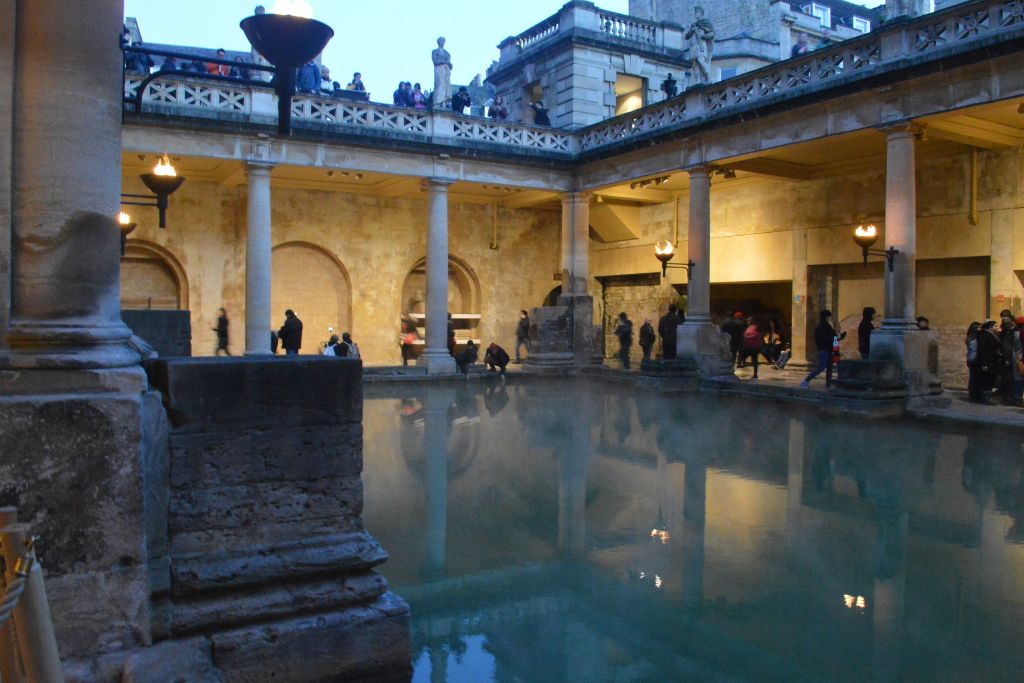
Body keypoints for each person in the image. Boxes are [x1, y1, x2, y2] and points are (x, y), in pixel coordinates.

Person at [801, 309, 845, 389]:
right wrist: (837, 337)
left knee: (829, 368)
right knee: (822, 368)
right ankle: (806, 381)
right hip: (825, 350)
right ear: (826, 317)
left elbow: (831, 337)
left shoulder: (824, 327)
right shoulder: (824, 327)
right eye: (829, 317)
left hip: (827, 350)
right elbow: (827, 338)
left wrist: (838, 336)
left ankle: (828, 385)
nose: (830, 319)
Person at [684, 6, 715, 85]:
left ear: (701, 13)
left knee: (701, 60)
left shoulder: (705, 22)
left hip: (701, 44)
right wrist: (692, 30)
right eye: (695, 12)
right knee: (695, 64)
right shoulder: (693, 25)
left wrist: (703, 36)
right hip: (693, 45)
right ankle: (698, 80)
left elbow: (712, 33)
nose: (695, 14)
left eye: (696, 12)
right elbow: (687, 36)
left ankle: (708, 77)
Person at [975, 319, 1001, 404]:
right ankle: (986, 399)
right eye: (995, 326)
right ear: (990, 327)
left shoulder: (992, 335)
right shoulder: (985, 336)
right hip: (988, 362)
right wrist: (984, 364)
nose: (997, 328)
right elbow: (982, 351)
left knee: (990, 379)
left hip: (992, 361)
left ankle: (988, 398)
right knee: (987, 380)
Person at [998, 318, 1019, 405]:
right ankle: (1008, 398)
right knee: (1009, 379)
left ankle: (1007, 398)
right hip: (1008, 359)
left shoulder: (1005, 332)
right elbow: (1007, 347)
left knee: (1007, 379)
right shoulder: (1008, 333)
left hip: (1007, 358)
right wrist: (1007, 359)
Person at [432, 37, 453, 108]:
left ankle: (443, 102)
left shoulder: (447, 53)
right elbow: (435, 61)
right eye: (441, 41)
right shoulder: (434, 51)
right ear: (438, 42)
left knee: (445, 85)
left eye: (443, 41)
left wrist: (447, 63)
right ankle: (437, 102)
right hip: (439, 70)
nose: (442, 42)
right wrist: (445, 62)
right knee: (439, 84)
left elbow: (450, 64)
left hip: (446, 71)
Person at [966, 321, 982, 402]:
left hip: (972, 359)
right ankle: (973, 395)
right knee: (973, 378)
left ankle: (974, 395)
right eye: (978, 328)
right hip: (973, 359)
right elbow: (972, 348)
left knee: (975, 377)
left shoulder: (971, 337)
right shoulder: (971, 337)